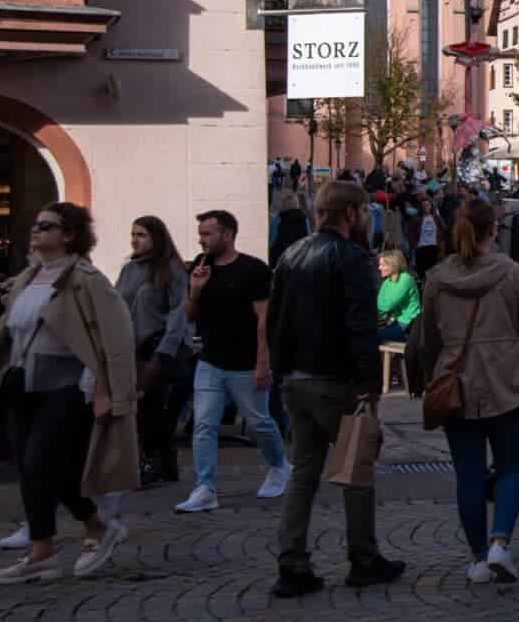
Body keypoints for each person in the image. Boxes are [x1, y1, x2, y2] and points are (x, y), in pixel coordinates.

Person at [263, 180, 403, 597]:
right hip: (338, 380)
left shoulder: (291, 254)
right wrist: (369, 383)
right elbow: (361, 325)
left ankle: (292, 561)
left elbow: (275, 320)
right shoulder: (353, 259)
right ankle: (363, 558)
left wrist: (281, 371)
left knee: (303, 472)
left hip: (297, 380)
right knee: (355, 471)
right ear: (351, 213)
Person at [0, 202, 137, 583]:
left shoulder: (86, 279)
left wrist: (107, 389)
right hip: (23, 383)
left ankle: (85, 530)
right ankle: (50, 547)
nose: (36, 230)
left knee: (42, 462)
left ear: (68, 234)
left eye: (46, 226)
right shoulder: (29, 276)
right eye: (36, 225)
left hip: (66, 385)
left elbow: (115, 336)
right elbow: (10, 335)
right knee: (34, 468)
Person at [422, 197, 519, 583]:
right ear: (493, 230)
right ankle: (500, 543)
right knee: (513, 467)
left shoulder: (437, 278)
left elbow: (427, 339)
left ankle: (477, 557)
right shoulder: (511, 273)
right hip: (507, 379)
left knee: (469, 474)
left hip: (456, 381)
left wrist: (432, 378)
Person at [177, 210, 289, 514]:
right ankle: (205, 488)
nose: (201, 240)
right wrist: (195, 291)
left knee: (260, 422)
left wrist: (263, 361)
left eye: (207, 234)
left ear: (227, 235)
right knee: (203, 425)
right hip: (210, 361)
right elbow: (189, 315)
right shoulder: (201, 267)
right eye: (200, 234)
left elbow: (264, 318)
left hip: (245, 362)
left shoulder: (253, 269)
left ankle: (279, 465)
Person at [117, 215, 189, 488]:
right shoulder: (129, 270)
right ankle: (164, 462)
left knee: (151, 405)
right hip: (132, 348)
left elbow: (179, 312)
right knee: (144, 407)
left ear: (156, 237)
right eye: (133, 234)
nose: (135, 240)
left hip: (159, 346)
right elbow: (117, 305)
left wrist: (165, 351)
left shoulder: (171, 269)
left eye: (141, 235)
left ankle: (154, 461)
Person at [375, 249, 420, 344]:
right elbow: (379, 304)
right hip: (395, 322)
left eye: (383, 265)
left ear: (393, 265)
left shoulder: (406, 279)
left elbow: (386, 306)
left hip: (409, 325)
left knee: (372, 336)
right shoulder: (387, 281)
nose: (379, 268)